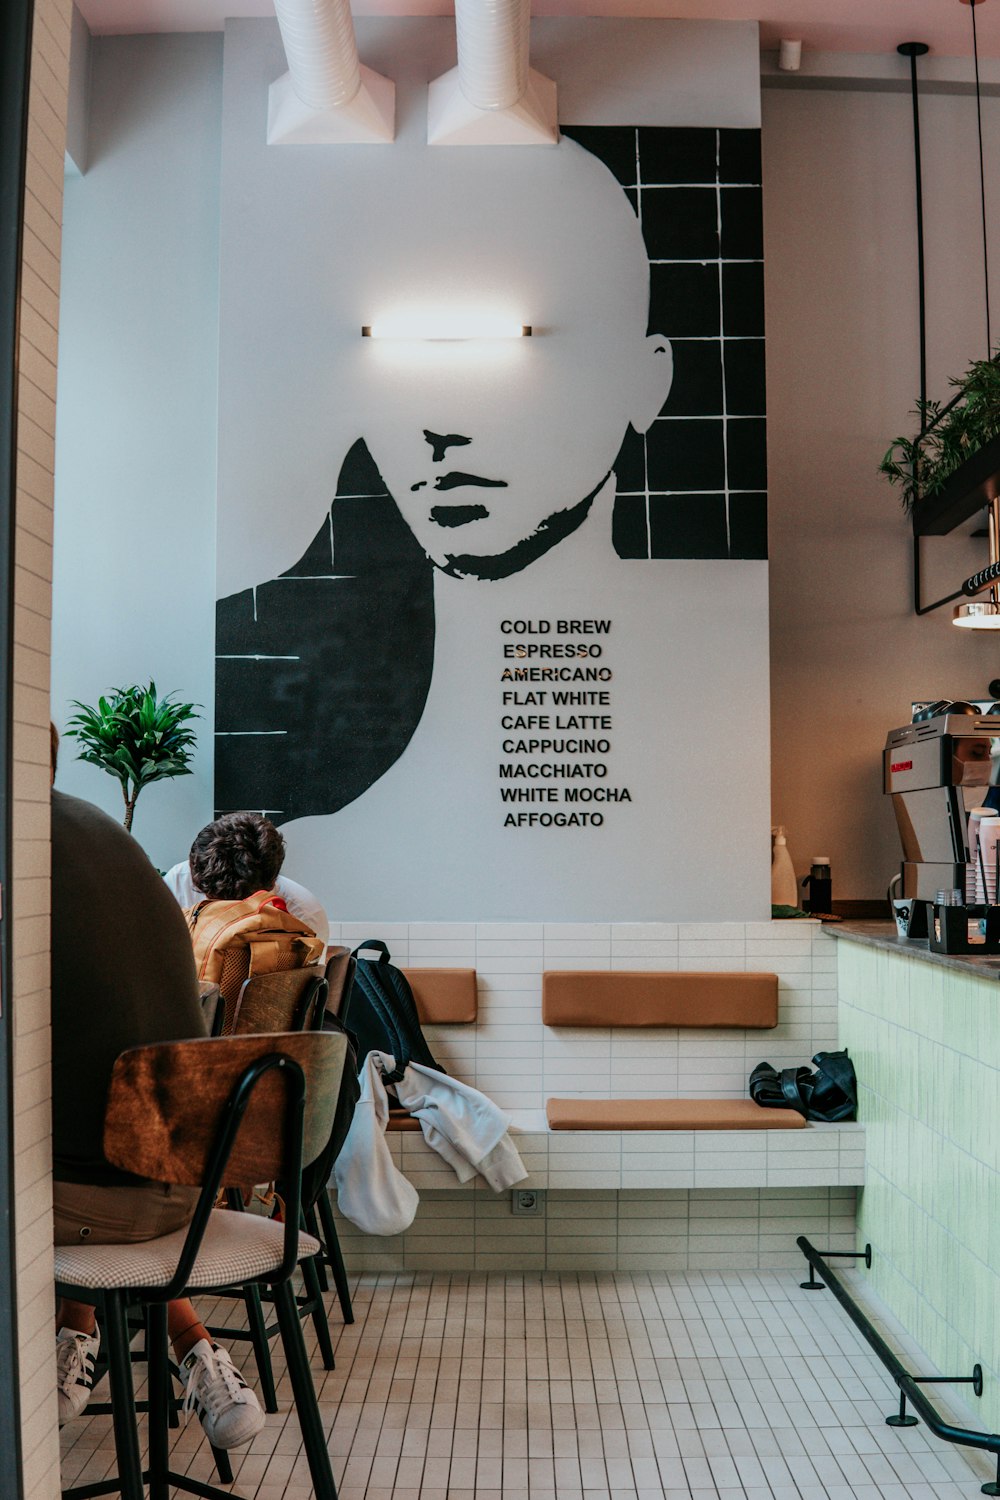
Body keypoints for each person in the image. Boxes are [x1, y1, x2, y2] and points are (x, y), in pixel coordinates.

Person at [215, 133, 673, 826]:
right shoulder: (245, 659)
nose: (441, 426)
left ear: (645, 381)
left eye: (513, 370)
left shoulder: (701, 661)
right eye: (402, 374)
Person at [50, 727, 265, 1449]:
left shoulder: (20, 849)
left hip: (103, 1202)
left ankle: (61, 1347)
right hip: (190, 1181)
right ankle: (191, 1351)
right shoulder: (106, 832)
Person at [164, 816, 329, 946]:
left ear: (272, 883)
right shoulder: (179, 882)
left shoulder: (303, 916)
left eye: (236, 904)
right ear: (193, 872)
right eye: (209, 897)